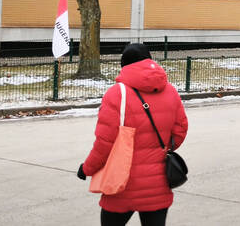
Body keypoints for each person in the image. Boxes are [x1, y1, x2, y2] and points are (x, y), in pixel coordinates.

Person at [77, 44, 189, 226]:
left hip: (122, 185)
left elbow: (104, 144)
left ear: (124, 64)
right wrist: (160, 148)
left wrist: (87, 169)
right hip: (158, 184)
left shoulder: (117, 94)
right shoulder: (170, 91)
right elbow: (180, 130)